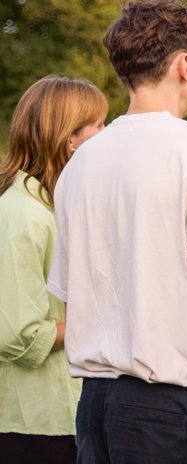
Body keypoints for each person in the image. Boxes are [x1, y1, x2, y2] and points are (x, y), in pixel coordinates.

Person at [48, 0, 187, 464]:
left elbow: (71, 296)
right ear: (183, 65)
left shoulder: (79, 163)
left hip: (96, 407)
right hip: (175, 410)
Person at [0, 75, 107, 463]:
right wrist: (102, 319)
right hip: (31, 425)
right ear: (69, 138)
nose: (107, 133)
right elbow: (17, 335)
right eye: (98, 124)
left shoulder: (53, 203)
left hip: (65, 413)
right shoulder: (22, 214)